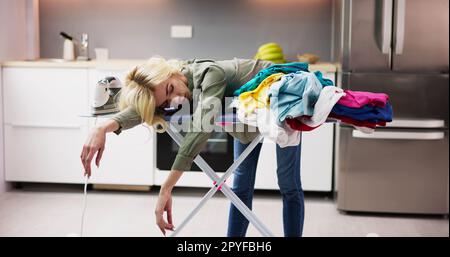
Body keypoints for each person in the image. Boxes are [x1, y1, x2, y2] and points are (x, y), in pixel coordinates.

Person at [80, 56, 304, 237]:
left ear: (172, 73)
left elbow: (201, 127)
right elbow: (142, 111)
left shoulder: (210, 73)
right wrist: (101, 128)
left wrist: (166, 187)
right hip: (245, 116)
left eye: (170, 90)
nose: (175, 100)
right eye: (166, 102)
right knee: (241, 188)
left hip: (283, 94)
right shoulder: (166, 88)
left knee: (288, 182)